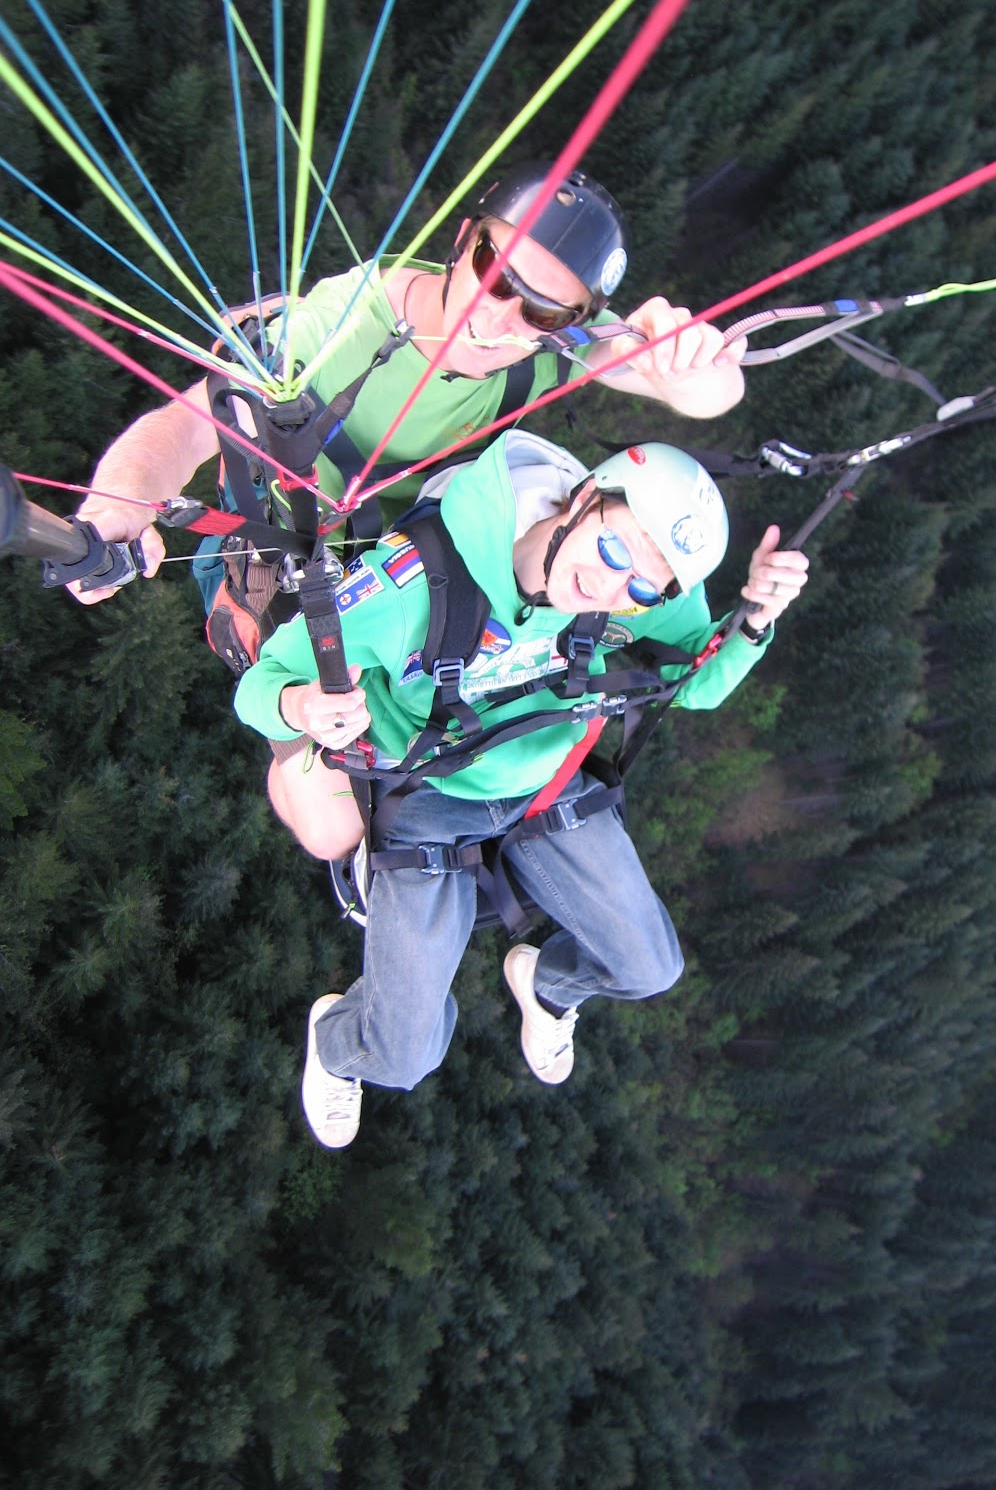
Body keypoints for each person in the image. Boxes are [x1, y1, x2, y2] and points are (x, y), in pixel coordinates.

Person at [231, 430, 809, 1147]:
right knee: (402, 1056)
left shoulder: (630, 597)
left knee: (649, 966)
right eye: (614, 550)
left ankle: (548, 987)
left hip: (544, 783)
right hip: (432, 796)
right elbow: (263, 684)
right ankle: (336, 1043)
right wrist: (304, 706)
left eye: (640, 588)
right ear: (585, 497)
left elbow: (695, 680)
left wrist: (753, 620)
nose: (610, 586)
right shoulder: (416, 582)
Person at [71, 165, 747, 601]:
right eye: (494, 271)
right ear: (464, 240)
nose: (500, 314)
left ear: (569, 322)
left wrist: (685, 361)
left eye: (541, 310)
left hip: (397, 566)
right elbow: (190, 424)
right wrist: (120, 501)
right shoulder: (335, 333)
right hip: (274, 552)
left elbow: (710, 395)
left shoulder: (551, 348)